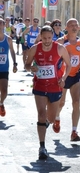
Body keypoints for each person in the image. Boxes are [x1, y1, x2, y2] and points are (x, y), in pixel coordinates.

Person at [25, 26, 71, 160]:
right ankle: (42, 147)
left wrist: (64, 78)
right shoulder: (35, 48)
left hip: (55, 87)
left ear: (52, 37)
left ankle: (44, 125)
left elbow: (69, 65)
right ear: (40, 36)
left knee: (50, 118)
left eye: (49, 38)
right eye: (44, 38)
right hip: (39, 85)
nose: (46, 41)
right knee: (41, 114)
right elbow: (27, 65)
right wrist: (31, 68)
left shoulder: (60, 48)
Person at [53, 18, 80, 141]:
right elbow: (55, 58)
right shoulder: (61, 42)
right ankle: (57, 117)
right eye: (71, 25)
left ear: (78, 28)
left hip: (75, 76)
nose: (74, 27)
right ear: (66, 28)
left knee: (77, 103)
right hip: (63, 76)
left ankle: (74, 131)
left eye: (76, 25)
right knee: (61, 103)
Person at [0, 17, 18, 117]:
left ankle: (1, 103)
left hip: (3, 69)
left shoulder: (8, 39)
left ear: (4, 25)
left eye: (1, 23)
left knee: (4, 91)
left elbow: (12, 51)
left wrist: (15, 63)